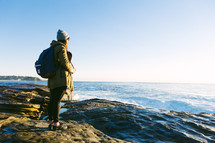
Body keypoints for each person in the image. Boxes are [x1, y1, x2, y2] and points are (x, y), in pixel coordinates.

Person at [48, 29, 76, 131]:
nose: (68, 41)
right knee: (57, 101)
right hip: (61, 79)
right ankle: (56, 123)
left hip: (52, 79)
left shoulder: (53, 47)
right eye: (68, 39)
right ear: (65, 39)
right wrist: (71, 69)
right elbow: (64, 63)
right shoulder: (61, 48)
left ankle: (51, 121)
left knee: (52, 100)